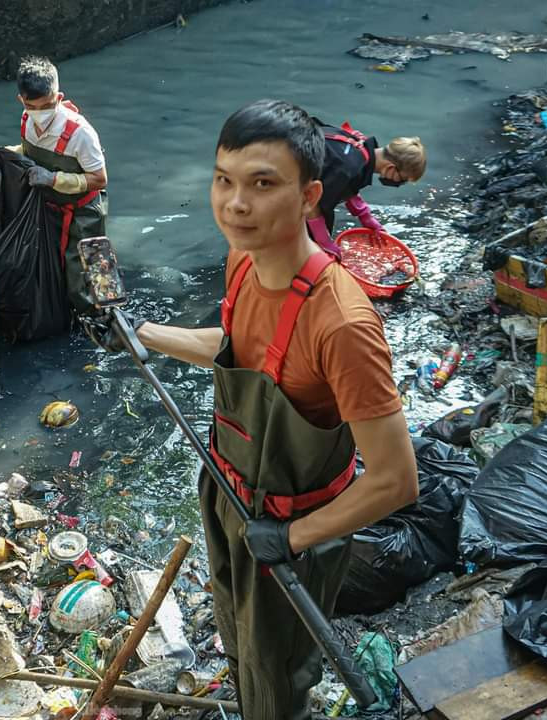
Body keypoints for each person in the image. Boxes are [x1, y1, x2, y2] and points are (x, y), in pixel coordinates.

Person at [84, 100, 418, 719]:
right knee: (237, 635)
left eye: (263, 184)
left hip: (294, 528)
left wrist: (292, 537)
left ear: (311, 196)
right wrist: (145, 333)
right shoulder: (243, 261)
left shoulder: (343, 323)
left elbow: (396, 481)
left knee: (279, 666)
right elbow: (238, 352)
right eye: (224, 179)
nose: (235, 204)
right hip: (230, 493)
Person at [0, 56, 108, 314]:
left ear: (59, 97)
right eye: (32, 106)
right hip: (49, 208)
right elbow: (29, 152)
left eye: (48, 105)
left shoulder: (80, 134)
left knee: (92, 277)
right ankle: (63, 319)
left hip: (83, 213)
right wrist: (5, 154)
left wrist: (53, 179)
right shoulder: (28, 120)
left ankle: (107, 319)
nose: (40, 113)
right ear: (22, 101)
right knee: (50, 274)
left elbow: (99, 179)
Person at [307, 119, 426, 258]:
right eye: (402, 180)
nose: (399, 184)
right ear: (391, 168)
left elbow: (343, 183)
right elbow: (312, 205)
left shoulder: (357, 144)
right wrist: (324, 242)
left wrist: (365, 216)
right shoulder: (348, 167)